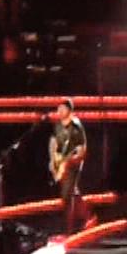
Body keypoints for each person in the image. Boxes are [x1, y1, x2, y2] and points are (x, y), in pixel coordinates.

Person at [48, 98, 89, 234]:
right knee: (71, 193)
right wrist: (53, 160)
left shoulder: (76, 126)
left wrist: (72, 160)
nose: (59, 111)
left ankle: (69, 229)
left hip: (73, 163)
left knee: (67, 195)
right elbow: (53, 142)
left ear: (70, 111)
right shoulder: (58, 126)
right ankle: (87, 218)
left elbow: (81, 148)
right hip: (61, 162)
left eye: (63, 109)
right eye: (58, 109)